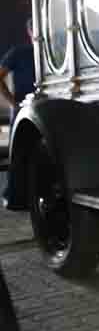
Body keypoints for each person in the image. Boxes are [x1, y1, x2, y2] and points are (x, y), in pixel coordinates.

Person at [0, 20, 36, 209]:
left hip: (43, 109)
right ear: (30, 32)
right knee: (19, 155)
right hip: (22, 110)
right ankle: (14, 198)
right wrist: (13, 102)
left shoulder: (50, 54)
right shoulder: (18, 53)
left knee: (37, 155)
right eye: (34, 29)